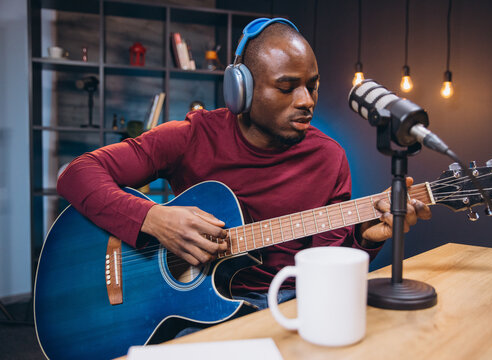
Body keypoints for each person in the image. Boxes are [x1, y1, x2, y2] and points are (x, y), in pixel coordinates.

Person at [57, 18, 431, 312]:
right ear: (242, 90)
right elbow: (78, 174)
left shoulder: (328, 156)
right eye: (287, 87)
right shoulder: (191, 136)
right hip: (196, 307)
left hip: (290, 302)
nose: (306, 101)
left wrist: (365, 238)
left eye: (312, 85)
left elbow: (328, 263)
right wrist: (153, 219)